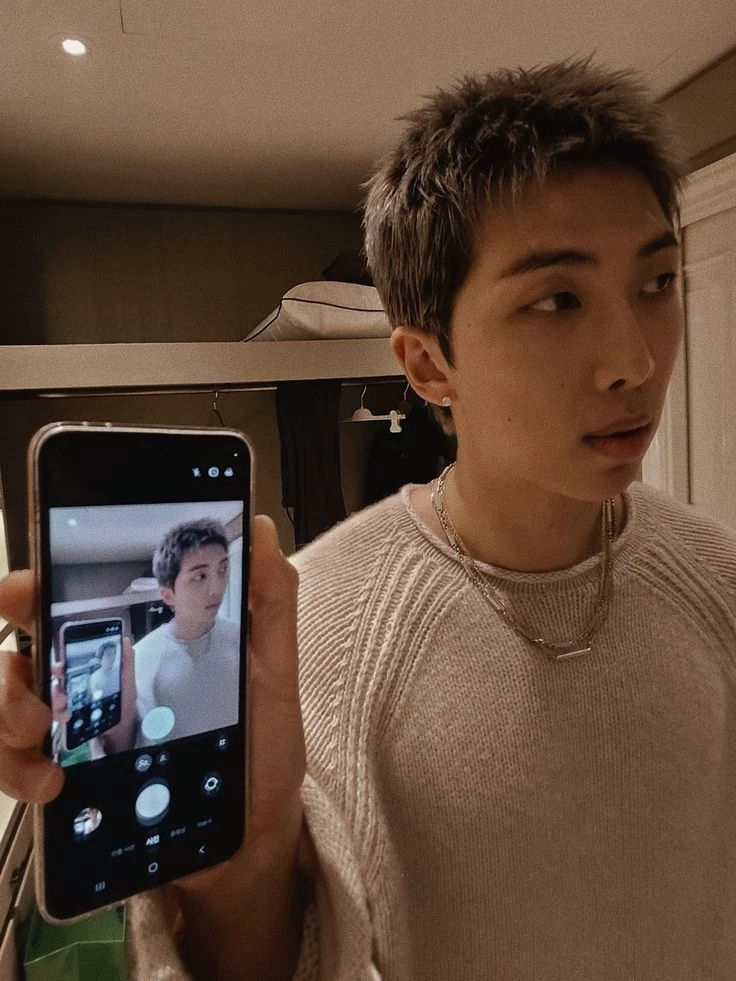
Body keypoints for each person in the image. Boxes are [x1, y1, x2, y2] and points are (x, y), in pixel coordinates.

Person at [1, 53, 736, 981]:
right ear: (428, 365)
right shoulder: (318, 638)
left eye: (658, 283)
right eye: (558, 299)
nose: (635, 358)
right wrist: (243, 878)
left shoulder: (718, 579)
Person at [132, 518, 240, 745]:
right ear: (168, 595)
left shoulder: (242, 638)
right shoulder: (140, 658)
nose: (217, 588)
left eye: (222, 570)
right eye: (200, 576)